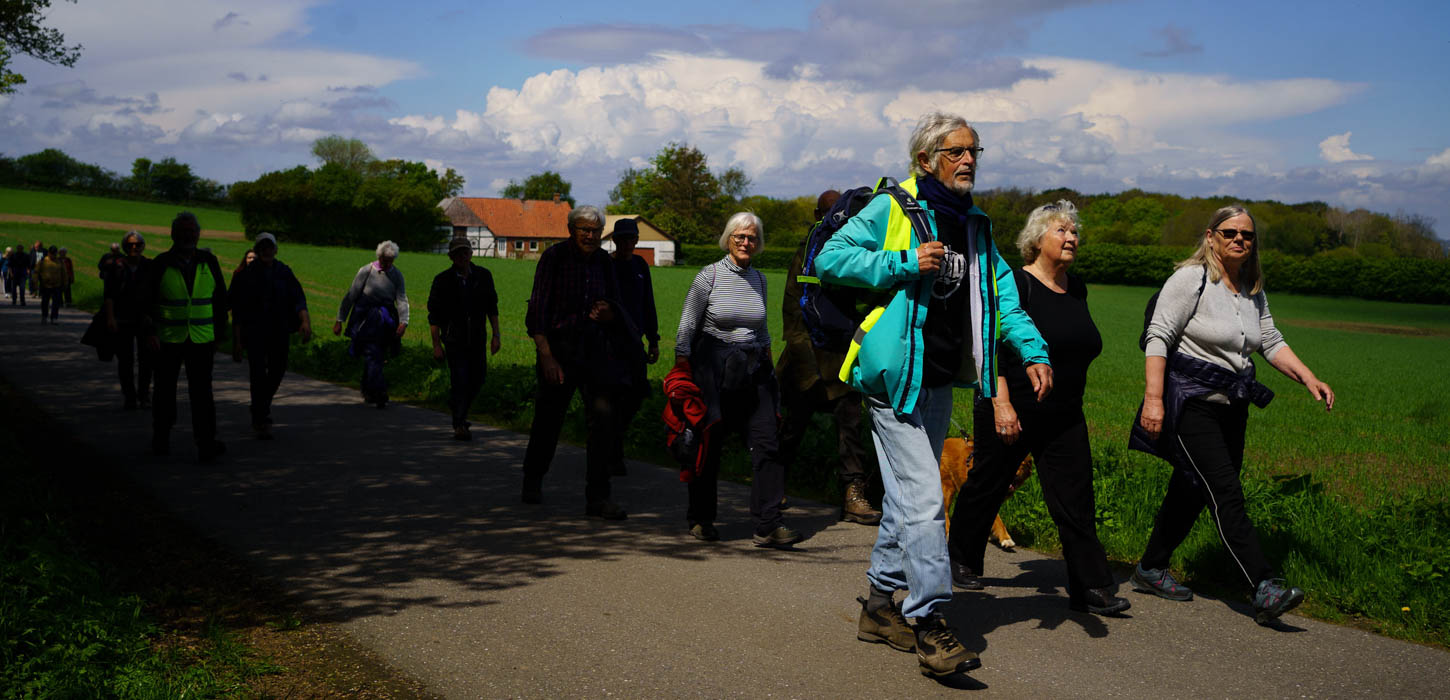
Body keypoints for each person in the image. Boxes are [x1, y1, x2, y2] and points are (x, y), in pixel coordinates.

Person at [814, 112, 1051, 678]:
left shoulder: (974, 226)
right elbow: (830, 258)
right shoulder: (894, 208)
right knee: (924, 500)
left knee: (904, 501)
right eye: (956, 151)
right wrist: (900, 262)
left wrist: (1033, 348)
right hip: (893, 376)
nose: (968, 160)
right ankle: (930, 622)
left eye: (974, 151)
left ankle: (877, 606)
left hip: (941, 378)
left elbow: (1002, 297)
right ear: (926, 160)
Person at [1133, 205, 1334, 625]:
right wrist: (1153, 400)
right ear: (1211, 237)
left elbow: (1271, 341)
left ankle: (1151, 567)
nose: (1239, 239)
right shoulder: (1191, 280)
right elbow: (1158, 336)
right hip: (1191, 403)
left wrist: (1309, 378)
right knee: (1225, 492)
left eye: (1247, 234)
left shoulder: (1251, 288)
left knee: (1191, 488)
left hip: (1232, 407)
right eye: (1230, 232)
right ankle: (1264, 586)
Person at [947, 201, 1128, 615]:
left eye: (1074, 232)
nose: (1071, 239)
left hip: (1065, 412)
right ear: (1036, 240)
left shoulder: (1076, 288)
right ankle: (960, 557)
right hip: (1012, 405)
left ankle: (1091, 587)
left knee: (1075, 496)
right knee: (988, 483)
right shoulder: (1017, 286)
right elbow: (988, 349)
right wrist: (1002, 405)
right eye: (1061, 232)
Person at [674, 213, 801, 547]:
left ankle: (767, 524)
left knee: (767, 443)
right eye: (740, 237)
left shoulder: (759, 279)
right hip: (714, 368)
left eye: (753, 238)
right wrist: (682, 369)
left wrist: (770, 369)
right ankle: (701, 518)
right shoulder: (709, 276)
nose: (747, 243)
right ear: (728, 239)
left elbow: (762, 329)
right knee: (709, 442)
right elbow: (688, 324)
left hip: (754, 368)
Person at [521, 205, 642, 520]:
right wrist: (546, 355)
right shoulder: (555, 258)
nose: (590, 236)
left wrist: (609, 314)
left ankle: (599, 498)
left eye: (595, 231)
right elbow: (538, 309)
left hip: (596, 350)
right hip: (559, 349)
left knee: (602, 422)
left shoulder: (604, 261)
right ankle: (533, 480)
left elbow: (617, 305)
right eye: (584, 230)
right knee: (549, 420)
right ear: (571, 230)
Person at [775, 189, 881, 526]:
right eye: (826, 213)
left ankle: (853, 495)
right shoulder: (804, 253)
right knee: (792, 428)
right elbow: (792, 309)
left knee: (850, 430)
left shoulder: (850, 252)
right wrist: (804, 363)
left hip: (842, 357)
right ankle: (772, 485)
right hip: (805, 358)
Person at [140, 212, 229, 462]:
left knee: (202, 394)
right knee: (164, 393)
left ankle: (206, 443)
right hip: (168, 339)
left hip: (202, 340)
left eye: (192, 231)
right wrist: (150, 333)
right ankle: (161, 439)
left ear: (198, 235)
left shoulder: (209, 261)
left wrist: (220, 335)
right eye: (183, 231)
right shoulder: (160, 263)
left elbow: (221, 300)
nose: (188, 236)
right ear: (173, 235)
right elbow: (145, 303)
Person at [230, 233, 311, 439]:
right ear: (257, 250)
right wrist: (238, 342)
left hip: (279, 331)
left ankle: (260, 406)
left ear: (275, 249)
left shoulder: (284, 272)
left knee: (278, 370)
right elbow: (237, 311)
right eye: (262, 247)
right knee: (257, 374)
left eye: (270, 247)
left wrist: (305, 322)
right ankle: (262, 416)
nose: (266, 251)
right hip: (255, 333)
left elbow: (298, 298)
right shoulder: (244, 276)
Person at [427, 237, 500, 441]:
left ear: (471, 254)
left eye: (465, 252)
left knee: (478, 378)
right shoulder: (442, 280)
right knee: (460, 379)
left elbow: (492, 308)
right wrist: (436, 345)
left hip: (477, 339)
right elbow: (434, 316)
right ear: (451, 257)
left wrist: (496, 335)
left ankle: (457, 407)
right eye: (458, 253)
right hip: (454, 340)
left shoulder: (483, 276)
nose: (462, 256)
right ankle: (460, 423)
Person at [608, 218, 659, 473]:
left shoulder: (640, 265)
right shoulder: (606, 265)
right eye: (623, 238)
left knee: (637, 394)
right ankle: (612, 453)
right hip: (610, 344)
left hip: (635, 343)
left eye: (632, 238)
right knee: (614, 397)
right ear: (614, 240)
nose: (628, 243)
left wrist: (654, 338)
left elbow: (647, 301)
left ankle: (613, 442)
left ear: (637, 240)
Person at [333, 241, 409, 408]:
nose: (387, 263)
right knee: (372, 353)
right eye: (384, 259)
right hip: (365, 319)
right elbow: (351, 295)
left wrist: (404, 322)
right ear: (379, 256)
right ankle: (379, 391)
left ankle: (367, 389)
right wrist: (340, 319)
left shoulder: (397, 275)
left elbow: (402, 299)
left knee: (377, 355)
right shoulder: (366, 271)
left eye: (390, 260)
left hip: (385, 320)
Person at [104, 231, 153, 410]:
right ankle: (130, 396)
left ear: (143, 246)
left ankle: (144, 394)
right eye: (131, 244)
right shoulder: (116, 266)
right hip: (122, 319)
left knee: (146, 360)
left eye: (138, 244)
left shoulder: (149, 265)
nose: (135, 247)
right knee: (125, 361)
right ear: (125, 247)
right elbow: (108, 295)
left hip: (145, 320)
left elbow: (156, 293)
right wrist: (110, 318)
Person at [36, 245, 66, 323]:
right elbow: (36, 272)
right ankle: (44, 316)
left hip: (57, 285)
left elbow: (64, 273)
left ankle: (54, 318)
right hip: (45, 285)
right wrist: (35, 282)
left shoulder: (59, 261)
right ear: (48, 253)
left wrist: (65, 283)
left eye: (54, 254)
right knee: (45, 302)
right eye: (51, 254)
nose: (53, 255)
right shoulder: (43, 261)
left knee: (56, 303)